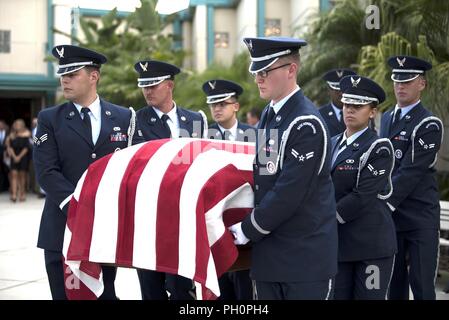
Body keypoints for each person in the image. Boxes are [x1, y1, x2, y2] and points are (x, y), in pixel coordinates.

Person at [229, 36, 338, 300]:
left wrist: (248, 228)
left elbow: (290, 192)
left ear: (291, 69)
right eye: (256, 71)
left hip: (303, 259)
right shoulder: (270, 114)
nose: (258, 79)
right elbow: (265, 176)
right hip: (270, 257)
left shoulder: (306, 123)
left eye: (266, 70)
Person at [33, 44, 144, 300]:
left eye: (72, 74)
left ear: (94, 76)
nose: (65, 80)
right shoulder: (50, 118)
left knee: (105, 294)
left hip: (104, 228)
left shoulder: (123, 117)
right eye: (63, 74)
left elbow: (131, 168)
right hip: (62, 226)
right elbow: (46, 171)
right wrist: (77, 205)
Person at [134, 59, 205, 300]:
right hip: (149, 216)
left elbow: (202, 164)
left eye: (153, 85)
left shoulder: (196, 120)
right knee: (151, 287)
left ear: (170, 85)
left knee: (182, 289)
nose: (147, 90)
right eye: (144, 85)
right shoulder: (137, 120)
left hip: (183, 217)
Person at [379, 56, 443, 300]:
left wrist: (382, 202)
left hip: (419, 218)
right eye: (397, 80)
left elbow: (411, 171)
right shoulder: (386, 117)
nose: (400, 86)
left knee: (422, 286)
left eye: (407, 81)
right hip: (392, 219)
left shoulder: (429, 123)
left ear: (422, 84)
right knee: (393, 287)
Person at [331, 75, 397, 299]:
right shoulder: (331, 143)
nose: (349, 110)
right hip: (339, 245)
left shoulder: (379, 148)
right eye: (347, 104)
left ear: (372, 112)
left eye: (358, 106)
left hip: (371, 249)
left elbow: (361, 197)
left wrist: (322, 218)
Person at [202, 79, 255, 300]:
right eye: (213, 104)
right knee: (219, 287)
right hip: (215, 221)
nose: (217, 108)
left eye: (222, 103)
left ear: (236, 106)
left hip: (245, 221)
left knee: (245, 289)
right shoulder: (201, 137)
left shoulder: (256, 134)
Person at [319, 68, 357, 137]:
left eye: (344, 89)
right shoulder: (320, 114)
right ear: (328, 91)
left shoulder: (359, 113)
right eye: (336, 89)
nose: (340, 93)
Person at [5, 119, 31, 202]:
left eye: (18, 125)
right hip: (14, 157)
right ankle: (14, 194)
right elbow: (9, 147)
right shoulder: (11, 135)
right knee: (14, 175)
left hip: (23, 157)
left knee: (22, 176)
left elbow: (26, 148)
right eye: (15, 125)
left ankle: (22, 194)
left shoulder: (26, 134)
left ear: (22, 126)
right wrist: (14, 156)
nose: (17, 126)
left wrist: (19, 157)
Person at [0, 119, 10, 192]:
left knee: (7, 171)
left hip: (6, 155)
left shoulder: (8, 133)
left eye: (1, 124)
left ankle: (6, 186)